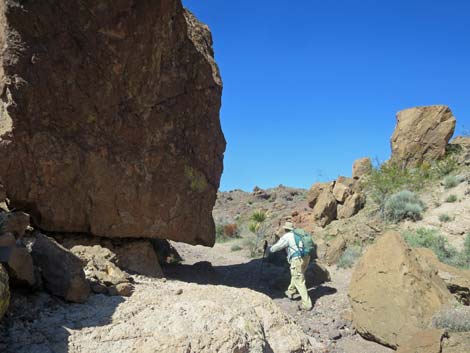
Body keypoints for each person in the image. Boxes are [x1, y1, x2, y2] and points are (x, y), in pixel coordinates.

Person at [268, 221, 313, 311]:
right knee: (297, 275)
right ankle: (291, 291)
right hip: (306, 257)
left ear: (285, 229)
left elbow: (277, 247)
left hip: (297, 259)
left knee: (299, 280)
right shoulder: (299, 234)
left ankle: (307, 304)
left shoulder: (287, 236)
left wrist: (269, 249)